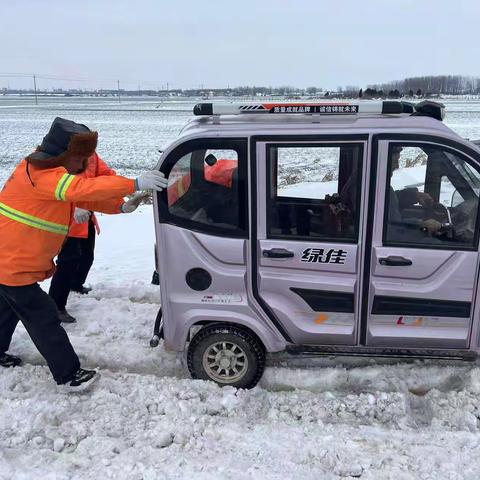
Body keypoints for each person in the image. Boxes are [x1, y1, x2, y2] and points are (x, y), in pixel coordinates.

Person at [0, 117, 167, 390]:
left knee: (6, 309)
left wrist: (121, 207)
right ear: (64, 155)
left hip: (9, 260)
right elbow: (81, 189)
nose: (84, 164)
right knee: (43, 316)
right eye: (80, 158)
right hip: (11, 263)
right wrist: (133, 182)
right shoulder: (41, 175)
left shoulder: (48, 176)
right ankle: (68, 376)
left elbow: (82, 197)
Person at [48, 152, 148, 323]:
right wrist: (73, 207)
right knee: (68, 260)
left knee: (87, 256)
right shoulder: (61, 159)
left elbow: (107, 176)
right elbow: (55, 188)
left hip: (87, 215)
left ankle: (75, 283)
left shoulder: (91, 156)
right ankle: (55, 306)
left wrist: (128, 189)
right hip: (67, 220)